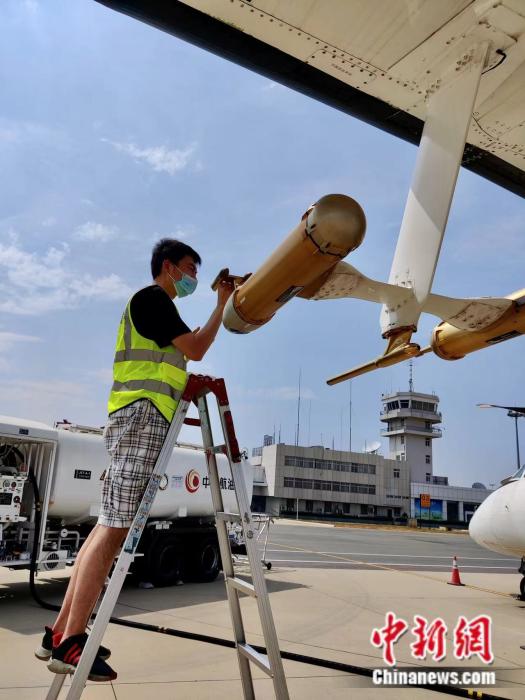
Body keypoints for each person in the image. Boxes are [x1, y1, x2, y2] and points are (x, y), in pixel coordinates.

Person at [35, 239, 233, 681]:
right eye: (187, 269)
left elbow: (177, 357)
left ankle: (60, 632)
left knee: (105, 527)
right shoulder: (152, 300)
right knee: (113, 529)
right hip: (142, 416)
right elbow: (197, 347)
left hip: (136, 417)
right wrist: (223, 304)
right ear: (167, 267)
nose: (191, 279)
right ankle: (71, 641)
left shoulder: (155, 308)